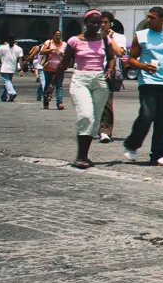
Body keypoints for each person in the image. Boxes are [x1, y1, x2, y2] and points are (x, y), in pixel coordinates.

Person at [122, 7, 163, 167]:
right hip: (148, 82)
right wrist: (143, 66)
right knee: (147, 115)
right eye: (148, 17)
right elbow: (131, 60)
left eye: (152, 17)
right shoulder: (140, 36)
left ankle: (158, 154)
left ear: (162, 19)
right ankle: (132, 145)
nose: (148, 20)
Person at [58, 10, 117, 169]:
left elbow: (111, 58)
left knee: (96, 120)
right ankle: (80, 156)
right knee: (86, 116)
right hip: (81, 79)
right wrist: (52, 84)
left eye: (100, 22)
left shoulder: (105, 39)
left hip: (100, 80)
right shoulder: (74, 41)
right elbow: (64, 63)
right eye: (93, 22)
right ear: (85, 23)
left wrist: (110, 69)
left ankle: (84, 155)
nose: (97, 25)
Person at [98, 11, 127, 143]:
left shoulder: (119, 37)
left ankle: (105, 130)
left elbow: (120, 52)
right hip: (93, 71)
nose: (103, 25)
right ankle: (97, 127)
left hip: (108, 72)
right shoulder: (94, 37)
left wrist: (109, 39)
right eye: (101, 22)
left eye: (105, 22)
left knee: (107, 102)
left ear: (111, 23)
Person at [41, 31, 66, 109]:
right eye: (56, 35)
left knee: (59, 85)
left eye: (59, 35)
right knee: (48, 85)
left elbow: (66, 55)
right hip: (48, 67)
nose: (58, 37)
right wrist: (51, 49)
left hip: (59, 68)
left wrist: (61, 53)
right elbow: (42, 51)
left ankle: (59, 103)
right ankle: (46, 102)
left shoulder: (64, 44)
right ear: (53, 36)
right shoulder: (48, 43)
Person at [0, 36, 23, 102]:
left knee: (6, 81)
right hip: (12, 69)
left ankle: (12, 93)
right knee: (8, 82)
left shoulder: (2, 47)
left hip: (4, 68)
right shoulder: (19, 48)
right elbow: (20, 60)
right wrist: (20, 69)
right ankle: (3, 96)